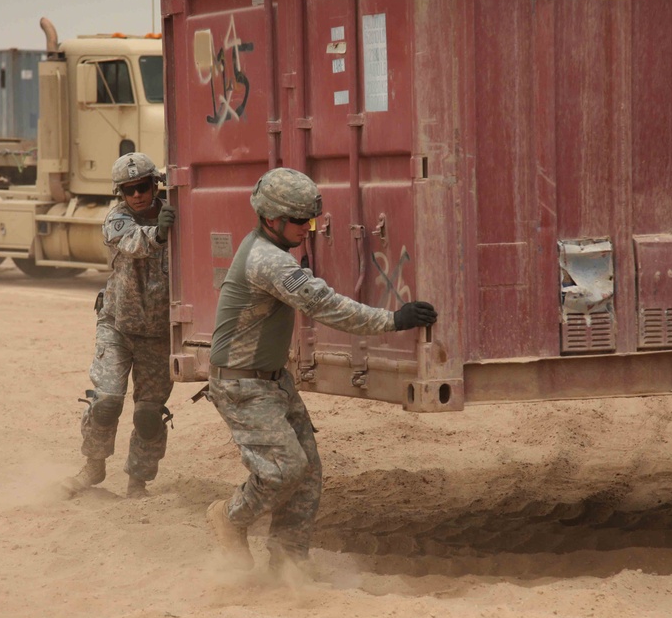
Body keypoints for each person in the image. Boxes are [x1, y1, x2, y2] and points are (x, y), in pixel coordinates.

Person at [205, 167, 437, 571]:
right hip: (241, 384)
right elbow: (323, 304)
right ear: (271, 218)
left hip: (271, 382)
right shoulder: (268, 261)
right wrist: (393, 320)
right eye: (299, 220)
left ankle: (287, 566)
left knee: (307, 475)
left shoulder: (273, 250)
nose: (307, 228)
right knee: (284, 470)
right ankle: (229, 517)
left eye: (311, 220)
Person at [61, 152, 176, 499]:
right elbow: (135, 243)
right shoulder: (117, 219)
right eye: (128, 190)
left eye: (142, 186)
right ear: (120, 194)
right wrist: (161, 232)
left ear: (154, 185)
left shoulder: (174, 212)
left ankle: (138, 481)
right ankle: (93, 466)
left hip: (159, 332)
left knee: (148, 415)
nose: (137, 195)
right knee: (108, 399)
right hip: (118, 325)